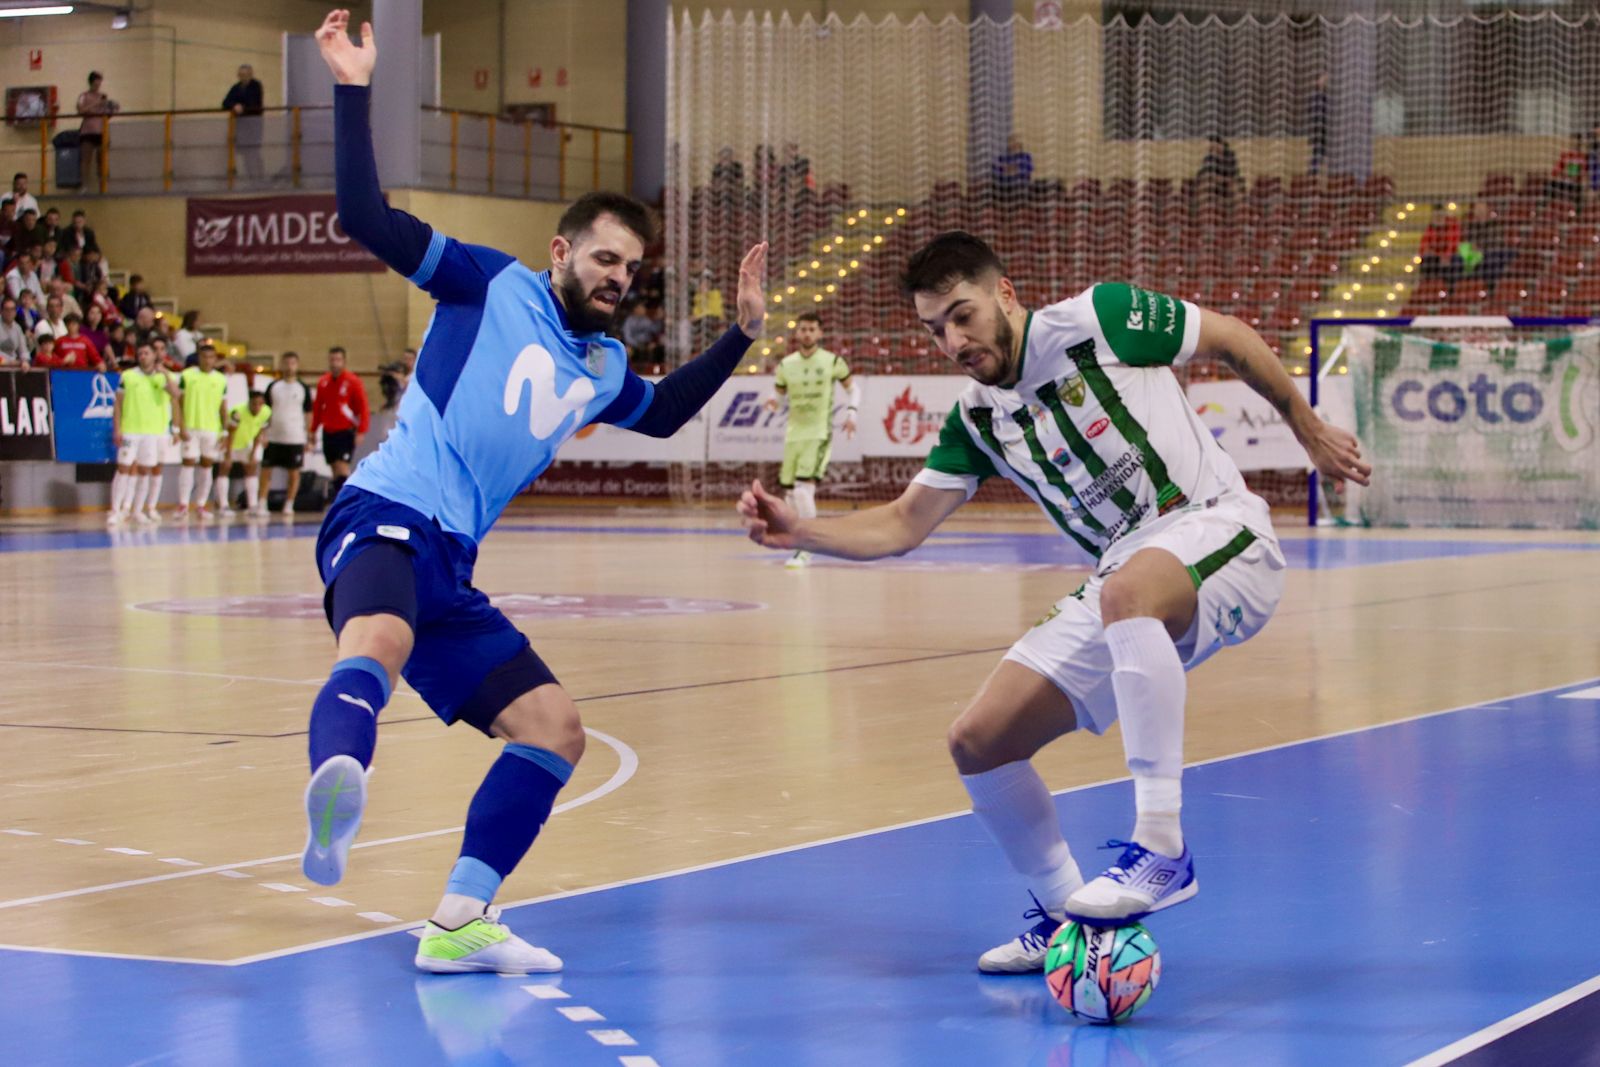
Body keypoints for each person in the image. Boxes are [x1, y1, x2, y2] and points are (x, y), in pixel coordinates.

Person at [737, 231, 1369, 973]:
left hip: (1223, 533)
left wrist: (1309, 427)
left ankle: (1162, 844)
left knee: (1128, 590)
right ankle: (1067, 916)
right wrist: (800, 530)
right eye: (935, 328)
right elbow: (905, 522)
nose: (952, 340)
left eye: (963, 316)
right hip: (1126, 581)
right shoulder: (978, 418)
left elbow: (1228, 338)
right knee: (979, 738)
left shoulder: (1100, 318)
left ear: (1005, 293)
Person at [301, 8, 767, 976]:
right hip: (386, 512)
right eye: (605, 259)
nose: (619, 279)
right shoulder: (485, 281)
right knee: (375, 647)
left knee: (555, 730)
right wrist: (352, 88)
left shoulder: (601, 363)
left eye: (632, 269)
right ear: (560, 253)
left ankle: (461, 918)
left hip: (454, 564)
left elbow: (668, 411)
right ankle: (336, 786)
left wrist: (743, 334)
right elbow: (366, 218)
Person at [762, 311, 858, 568]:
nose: (807, 333)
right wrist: (773, 402)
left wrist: (852, 413)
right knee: (791, 493)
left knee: (804, 490)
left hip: (818, 432)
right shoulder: (786, 364)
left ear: (820, 332)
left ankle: (808, 547)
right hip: (793, 435)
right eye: (802, 329)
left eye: (811, 329)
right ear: (797, 333)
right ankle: (798, 543)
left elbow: (853, 389)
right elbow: (779, 396)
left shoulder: (832, 361)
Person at [108, 342, 181, 526]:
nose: (142, 356)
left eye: (146, 353)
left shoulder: (164, 377)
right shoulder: (129, 376)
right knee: (123, 468)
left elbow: (176, 394)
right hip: (131, 430)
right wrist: (117, 428)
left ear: (154, 356)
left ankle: (138, 510)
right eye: (140, 353)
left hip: (153, 432)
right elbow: (118, 403)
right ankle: (116, 510)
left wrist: (163, 372)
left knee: (145, 470)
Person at [175, 344, 229, 519]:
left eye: (211, 357)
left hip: (211, 429)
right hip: (190, 426)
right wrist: (179, 426)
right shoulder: (187, 376)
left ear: (215, 359)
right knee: (188, 463)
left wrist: (225, 431)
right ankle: (183, 504)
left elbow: (223, 407)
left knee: (207, 465)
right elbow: (179, 402)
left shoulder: (221, 379)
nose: (208, 360)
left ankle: (201, 504)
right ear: (199, 358)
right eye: (204, 357)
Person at [310, 344, 369, 495]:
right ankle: (338, 499)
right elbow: (318, 407)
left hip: (345, 431)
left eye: (338, 359)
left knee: (342, 467)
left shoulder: (353, 381)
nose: (335, 363)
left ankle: (345, 501)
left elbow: (363, 407)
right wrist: (313, 429)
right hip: (328, 430)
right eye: (332, 359)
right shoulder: (324, 382)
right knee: (334, 468)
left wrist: (361, 430)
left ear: (344, 361)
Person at [261, 351, 314, 516]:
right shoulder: (273, 387)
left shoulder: (303, 388)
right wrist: (263, 432)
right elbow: (265, 411)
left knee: (294, 473)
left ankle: (289, 504)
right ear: (282, 365)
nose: (289, 366)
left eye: (293, 363)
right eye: (286, 363)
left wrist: (308, 436)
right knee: (266, 470)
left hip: (295, 436)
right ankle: (261, 503)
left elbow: (308, 413)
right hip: (274, 436)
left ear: (297, 365)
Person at [217, 391, 272, 516]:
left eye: (260, 404)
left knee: (251, 468)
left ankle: (252, 506)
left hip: (247, 442)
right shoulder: (238, 412)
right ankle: (223, 506)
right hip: (230, 442)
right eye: (254, 404)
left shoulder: (266, 412)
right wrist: (228, 454)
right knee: (225, 468)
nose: (257, 407)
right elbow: (230, 433)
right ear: (249, 402)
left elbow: (260, 431)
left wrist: (253, 452)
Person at [223, 64, 266, 183]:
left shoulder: (256, 86)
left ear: (251, 75)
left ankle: (259, 179)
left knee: (253, 153)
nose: (243, 77)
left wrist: (242, 106)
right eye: (241, 75)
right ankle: (251, 179)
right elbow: (225, 103)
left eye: (246, 75)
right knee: (245, 155)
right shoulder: (236, 88)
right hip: (240, 128)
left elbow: (255, 104)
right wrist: (234, 105)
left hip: (253, 126)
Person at [76, 73, 118, 187]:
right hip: (88, 131)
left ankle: (103, 186)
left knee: (102, 160)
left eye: (100, 82)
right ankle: (84, 186)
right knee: (86, 160)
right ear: (91, 82)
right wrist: (96, 103)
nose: (98, 85)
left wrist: (112, 110)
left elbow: (106, 115)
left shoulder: (103, 96)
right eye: (96, 82)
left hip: (101, 131)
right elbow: (81, 111)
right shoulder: (83, 96)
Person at [991, 136, 1034, 201]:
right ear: (1008, 144)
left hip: (1020, 185)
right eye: (1012, 141)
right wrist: (1011, 170)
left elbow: (1027, 170)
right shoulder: (1002, 158)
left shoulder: (1026, 157)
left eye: (1016, 141)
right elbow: (996, 171)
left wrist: (1009, 169)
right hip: (1005, 186)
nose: (1014, 144)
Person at [1307, 72, 1329, 176]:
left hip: (1326, 132)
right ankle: (1311, 175)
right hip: (1318, 132)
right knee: (1317, 155)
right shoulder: (1315, 97)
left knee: (1321, 155)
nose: (1325, 81)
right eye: (1323, 79)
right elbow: (1314, 115)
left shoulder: (1326, 96)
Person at [0, 296, 28, 364]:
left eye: (12, 309)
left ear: (15, 311)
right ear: (1, 311)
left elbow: (23, 350)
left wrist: (24, 361)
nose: (9, 312)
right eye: (7, 309)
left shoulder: (17, 328)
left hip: (14, 365)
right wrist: (9, 361)